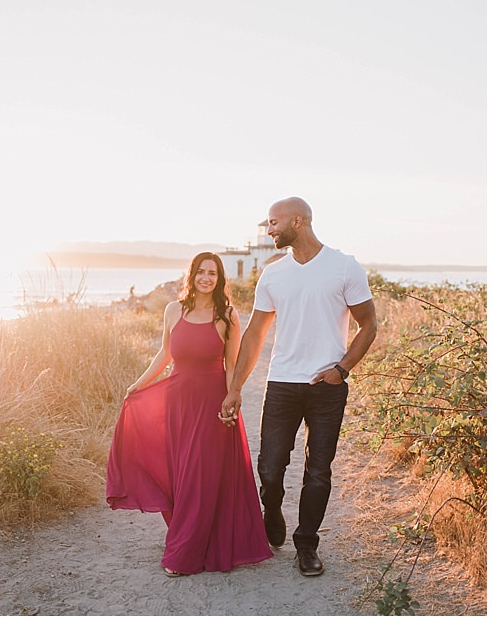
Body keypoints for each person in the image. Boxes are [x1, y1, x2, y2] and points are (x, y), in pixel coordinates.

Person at [220, 197, 377, 577]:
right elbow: (256, 332)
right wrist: (235, 387)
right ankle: (271, 508)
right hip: (282, 383)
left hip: (327, 385)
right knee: (270, 467)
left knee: (318, 470)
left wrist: (341, 369)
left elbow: (368, 325)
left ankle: (306, 544)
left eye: (274, 223)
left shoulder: (343, 266)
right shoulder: (273, 274)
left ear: (298, 220)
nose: (269, 229)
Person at [106, 253, 273, 576]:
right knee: (180, 477)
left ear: (219, 278)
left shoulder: (227, 316)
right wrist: (138, 385)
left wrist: (231, 398)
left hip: (210, 406)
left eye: (212, 273)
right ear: (192, 275)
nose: (206, 278)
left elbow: (231, 365)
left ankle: (184, 555)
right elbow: (164, 354)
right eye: (201, 272)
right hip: (177, 404)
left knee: (199, 477)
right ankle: (190, 534)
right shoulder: (174, 311)